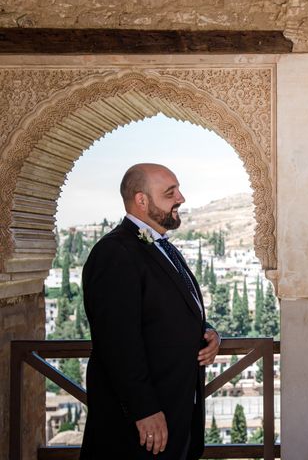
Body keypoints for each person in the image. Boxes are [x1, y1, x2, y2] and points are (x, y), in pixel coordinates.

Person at [80, 163, 221, 460]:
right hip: (141, 426)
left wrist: (208, 334)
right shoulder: (115, 253)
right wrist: (143, 410)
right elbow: (117, 342)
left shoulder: (161, 247)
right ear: (142, 200)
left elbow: (168, 312)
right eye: (170, 193)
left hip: (175, 412)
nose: (181, 198)